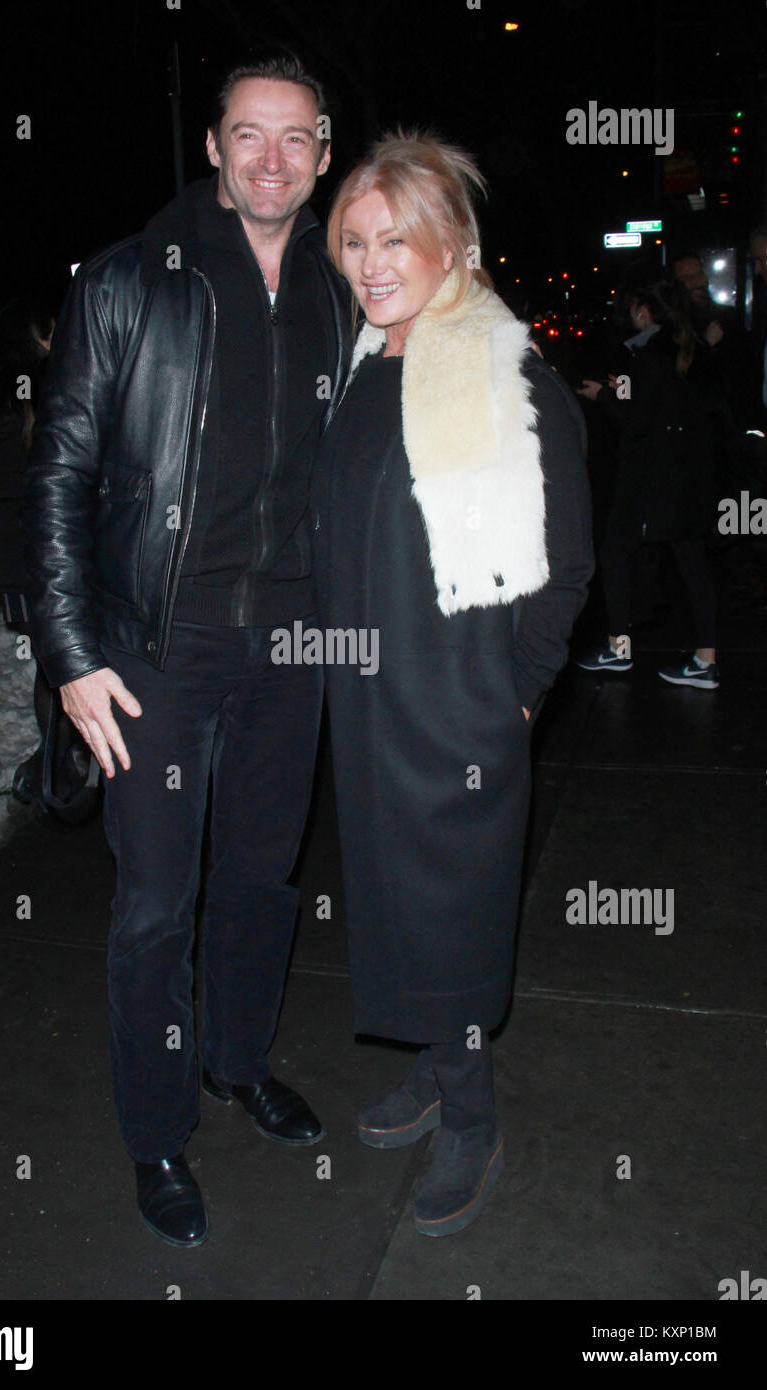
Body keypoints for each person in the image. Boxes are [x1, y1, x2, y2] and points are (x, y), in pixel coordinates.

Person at [22, 50, 353, 1247]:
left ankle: (233, 1060)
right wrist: (69, 653)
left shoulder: (340, 286)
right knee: (159, 906)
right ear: (213, 145)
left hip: (295, 645)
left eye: (297, 138)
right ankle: (158, 1132)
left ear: (323, 153)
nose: (273, 158)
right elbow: (55, 473)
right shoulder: (128, 281)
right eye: (249, 135)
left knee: (262, 882)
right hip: (157, 650)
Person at [310, 131, 593, 1237]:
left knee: (457, 920)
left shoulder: (502, 370)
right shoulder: (364, 365)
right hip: (373, 705)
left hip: (461, 712)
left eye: (399, 239)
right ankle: (436, 1066)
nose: (375, 261)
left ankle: (471, 1111)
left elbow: (567, 567)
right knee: (397, 906)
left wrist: (513, 702)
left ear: (454, 245)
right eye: (357, 240)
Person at [0, 298, 87, 809]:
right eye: (49, 332)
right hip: (64, 551)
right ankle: (57, 770)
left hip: (12, 556)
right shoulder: (54, 390)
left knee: (52, 667)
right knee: (76, 661)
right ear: (32, 338)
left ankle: (57, 764)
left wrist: (2, 527)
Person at [576, 283, 720, 688]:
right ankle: (706, 659)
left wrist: (604, 394)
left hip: (652, 481)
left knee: (615, 550)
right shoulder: (690, 350)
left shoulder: (649, 353)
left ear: (643, 310)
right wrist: (618, 390)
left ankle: (619, 650)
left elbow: (638, 420)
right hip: (689, 479)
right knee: (693, 565)